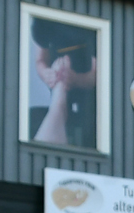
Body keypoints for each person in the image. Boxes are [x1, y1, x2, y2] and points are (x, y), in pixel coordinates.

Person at [27, 18, 100, 147]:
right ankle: (59, 97)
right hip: (59, 81)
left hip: (91, 94)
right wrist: (47, 74)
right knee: (57, 107)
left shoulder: (93, 29)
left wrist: (74, 79)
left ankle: (59, 96)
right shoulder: (42, 23)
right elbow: (40, 60)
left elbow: (100, 74)